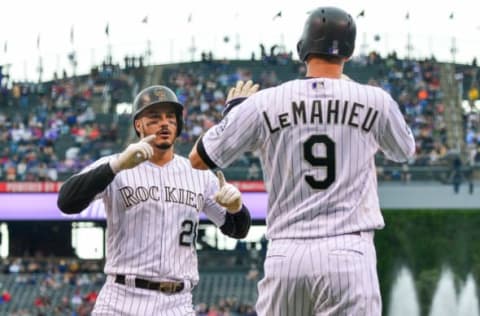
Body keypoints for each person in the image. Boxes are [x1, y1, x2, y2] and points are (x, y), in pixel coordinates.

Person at [189, 6, 415, 316]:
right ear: (348, 52)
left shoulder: (264, 101)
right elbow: (404, 150)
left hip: (286, 254)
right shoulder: (375, 99)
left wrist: (235, 113)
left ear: (302, 49)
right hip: (348, 251)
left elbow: (198, 159)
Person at [57, 85, 251, 316]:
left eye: (170, 117)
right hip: (121, 299)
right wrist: (116, 166)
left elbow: (238, 230)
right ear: (138, 124)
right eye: (154, 117)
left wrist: (236, 208)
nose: (164, 123)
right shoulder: (115, 165)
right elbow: (66, 202)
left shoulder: (198, 172)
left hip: (177, 303)